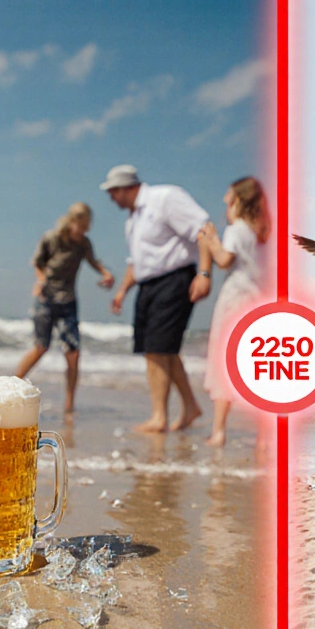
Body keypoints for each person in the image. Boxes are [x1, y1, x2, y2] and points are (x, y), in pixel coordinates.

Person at [103, 164, 213, 433]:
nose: (111, 198)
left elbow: (204, 229)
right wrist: (122, 291)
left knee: (157, 349)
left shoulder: (164, 198)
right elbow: (136, 263)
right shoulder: (131, 221)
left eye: (113, 192)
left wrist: (205, 272)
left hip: (175, 279)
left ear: (126, 187)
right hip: (147, 285)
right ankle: (189, 407)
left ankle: (158, 417)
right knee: (164, 348)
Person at [14, 201, 114, 417]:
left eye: (85, 227)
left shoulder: (84, 244)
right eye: (79, 226)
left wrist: (106, 273)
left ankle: (69, 406)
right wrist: (41, 281)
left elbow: (92, 261)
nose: (82, 231)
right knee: (41, 347)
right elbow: (37, 263)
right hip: (46, 299)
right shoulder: (52, 238)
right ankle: (9, 388)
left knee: (73, 353)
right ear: (71, 222)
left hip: (68, 302)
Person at [199, 176, 270, 447]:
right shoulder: (260, 232)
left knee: (223, 361)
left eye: (228, 195)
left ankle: (219, 432)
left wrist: (210, 240)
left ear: (238, 199)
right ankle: (264, 435)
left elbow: (224, 259)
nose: (223, 200)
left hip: (235, 299)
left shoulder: (237, 229)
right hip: (256, 299)